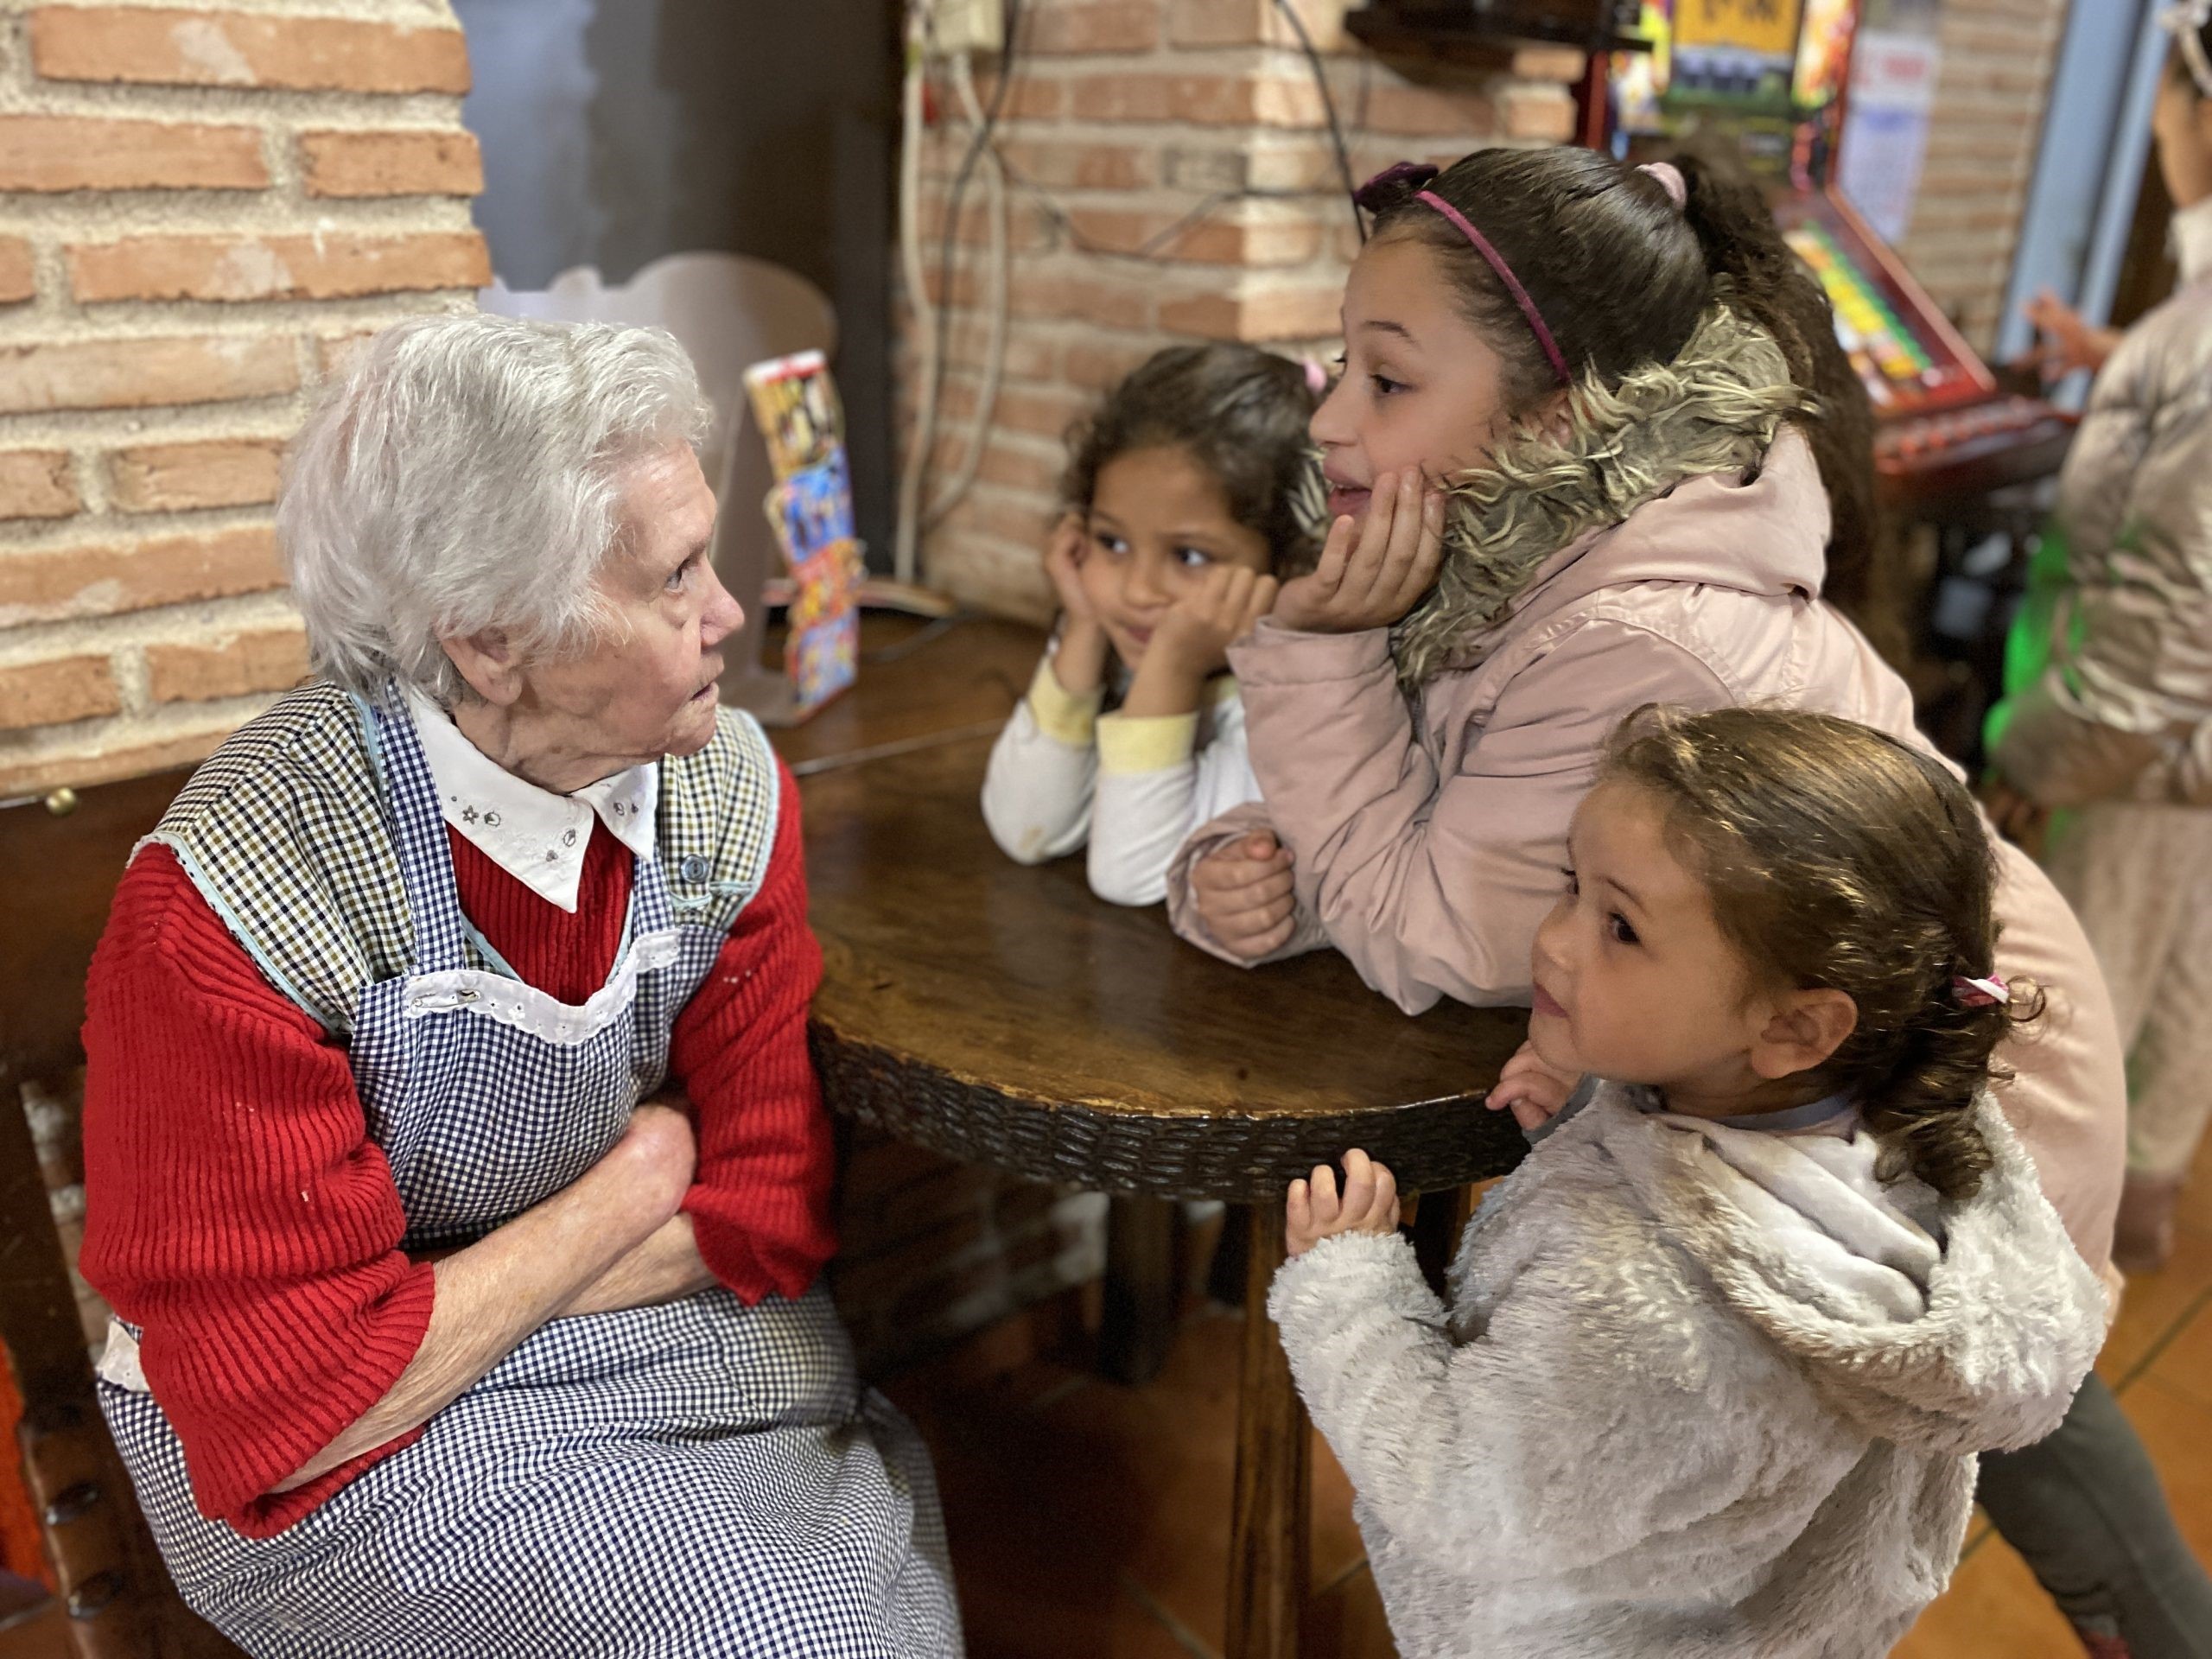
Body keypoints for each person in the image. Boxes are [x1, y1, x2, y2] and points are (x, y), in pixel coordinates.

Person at [77, 315, 962, 1657]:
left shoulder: (722, 793)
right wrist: (636, 1182)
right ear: (494, 643)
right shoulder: (236, 900)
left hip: (528, 1351)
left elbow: (766, 1212)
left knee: (858, 1603)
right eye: (674, 580)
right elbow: (290, 1407)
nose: (731, 611)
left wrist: (440, 1315)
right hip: (332, 1468)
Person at [1272, 705, 2108, 1659]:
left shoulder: (1647, 1307)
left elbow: (1467, 1492)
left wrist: (1348, 1290)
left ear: (1796, 1028)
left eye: (1620, 926)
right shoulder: (1911, 1130)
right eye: (1571, 888)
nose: (1554, 941)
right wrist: (1604, 1090)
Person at [1987, 2, 2212, 1278]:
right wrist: (2121, 356)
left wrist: (2044, 751)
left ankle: (2057, 1265)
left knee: (2091, 999)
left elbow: (2164, 627)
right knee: (2186, 986)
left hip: (2143, 761)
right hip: (2193, 760)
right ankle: (2144, 1215)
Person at [981, 343, 1325, 905]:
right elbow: (1025, 828)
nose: (1138, 590)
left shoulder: (1286, 705)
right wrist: (1084, 624)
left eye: (1189, 556)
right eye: (1110, 542)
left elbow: (1136, 874)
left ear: (1288, 564)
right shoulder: (1118, 633)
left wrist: (1174, 667)